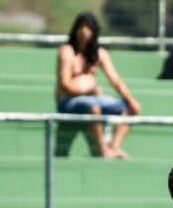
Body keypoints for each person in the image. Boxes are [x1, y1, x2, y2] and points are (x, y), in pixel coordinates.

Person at [56, 12, 142, 159]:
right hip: (69, 101)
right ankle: (102, 151)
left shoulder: (99, 53)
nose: (84, 31)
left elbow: (115, 80)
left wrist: (130, 99)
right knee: (94, 108)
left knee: (130, 108)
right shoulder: (67, 51)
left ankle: (114, 147)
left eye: (88, 28)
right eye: (81, 27)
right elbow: (64, 84)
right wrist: (87, 91)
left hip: (94, 98)